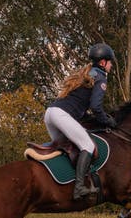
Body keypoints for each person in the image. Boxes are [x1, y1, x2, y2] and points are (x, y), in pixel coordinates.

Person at [44, 43, 117, 200]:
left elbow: (81, 107)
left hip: (50, 113)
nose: (111, 65)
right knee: (88, 146)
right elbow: (96, 107)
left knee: (65, 147)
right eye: (110, 62)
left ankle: (59, 183)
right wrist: (107, 121)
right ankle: (79, 188)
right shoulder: (101, 78)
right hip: (62, 115)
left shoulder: (87, 74)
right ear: (103, 63)